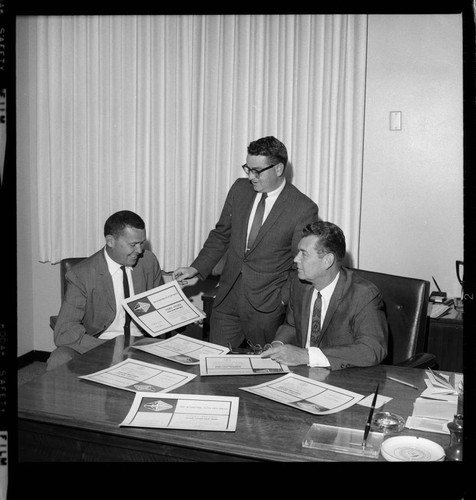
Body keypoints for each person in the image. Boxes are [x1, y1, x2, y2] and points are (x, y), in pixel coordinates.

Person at [173, 136, 318, 349]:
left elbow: (300, 263)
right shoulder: (239, 190)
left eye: (257, 171)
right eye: (248, 168)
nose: (251, 176)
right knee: (216, 363)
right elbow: (221, 235)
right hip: (227, 297)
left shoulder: (302, 208)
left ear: (278, 169)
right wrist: (196, 267)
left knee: (266, 369)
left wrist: (282, 299)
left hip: (267, 305)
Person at [261, 221, 388, 370]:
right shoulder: (299, 284)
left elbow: (372, 349)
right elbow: (292, 325)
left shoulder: (363, 294)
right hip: (302, 374)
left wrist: (306, 355)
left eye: (304, 254)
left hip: (342, 378)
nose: (296, 259)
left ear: (327, 261)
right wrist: (278, 346)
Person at [47, 210, 164, 370]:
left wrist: (181, 312)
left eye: (141, 243)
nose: (139, 250)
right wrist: (110, 349)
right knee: (58, 359)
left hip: (141, 344)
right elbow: (65, 330)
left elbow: (160, 306)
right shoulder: (82, 275)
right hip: (98, 343)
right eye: (133, 244)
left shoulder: (148, 261)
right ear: (110, 241)